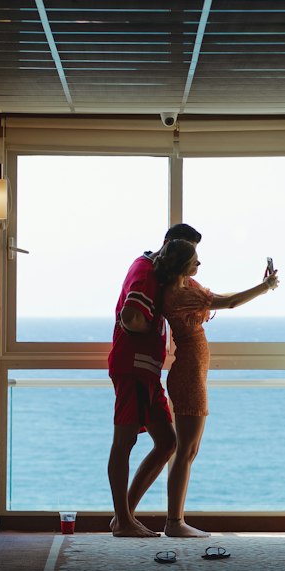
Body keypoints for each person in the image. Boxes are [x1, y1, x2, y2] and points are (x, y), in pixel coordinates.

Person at [154, 237, 279, 538]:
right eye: (194, 259)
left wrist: (260, 286)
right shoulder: (181, 295)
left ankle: (176, 520)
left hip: (191, 371)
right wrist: (265, 287)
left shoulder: (188, 288)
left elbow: (219, 297)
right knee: (186, 450)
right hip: (188, 374)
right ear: (182, 265)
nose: (199, 263)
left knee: (189, 450)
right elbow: (229, 303)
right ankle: (174, 523)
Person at [107, 222, 202, 536]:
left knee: (167, 443)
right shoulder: (145, 271)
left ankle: (125, 516)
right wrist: (146, 328)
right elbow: (131, 315)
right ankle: (123, 521)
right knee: (125, 441)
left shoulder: (153, 270)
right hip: (133, 367)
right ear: (169, 247)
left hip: (146, 372)